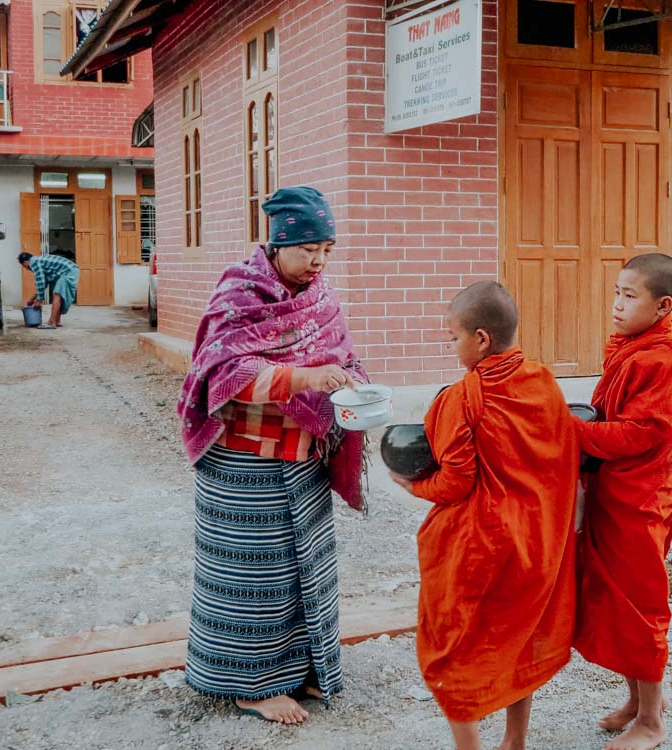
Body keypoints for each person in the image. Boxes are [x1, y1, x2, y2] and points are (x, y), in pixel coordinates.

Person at [178, 186, 368, 725]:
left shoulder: (320, 295)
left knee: (304, 570)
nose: (318, 260)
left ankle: (304, 667)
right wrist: (305, 377)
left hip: (302, 459)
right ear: (280, 242)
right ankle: (251, 685)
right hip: (244, 465)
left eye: (327, 248)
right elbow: (221, 375)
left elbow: (343, 354)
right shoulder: (239, 294)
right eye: (309, 247)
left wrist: (355, 386)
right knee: (253, 579)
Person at [390, 281, 579, 750]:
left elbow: (455, 482)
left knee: (451, 648)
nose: (451, 347)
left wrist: (412, 485)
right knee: (520, 640)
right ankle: (514, 741)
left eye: (453, 337)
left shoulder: (463, 396)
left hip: (482, 546)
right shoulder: (543, 382)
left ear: (481, 339)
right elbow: (559, 459)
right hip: (536, 541)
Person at [574, 253, 672, 750]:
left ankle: (651, 722)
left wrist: (573, 431)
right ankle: (639, 700)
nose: (616, 305)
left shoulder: (660, 357)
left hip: (641, 499)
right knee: (617, 604)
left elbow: (643, 432)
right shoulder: (635, 343)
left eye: (629, 296)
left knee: (641, 608)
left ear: (662, 306)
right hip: (615, 492)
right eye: (616, 292)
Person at [18, 251, 80, 329]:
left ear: (25, 262)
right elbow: (44, 284)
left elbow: (40, 282)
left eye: (24, 266)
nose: (26, 269)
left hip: (68, 272)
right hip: (70, 270)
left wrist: (39, 300)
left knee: (57, 294)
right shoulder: (39, 261)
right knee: (58, 295)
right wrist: (32, 299)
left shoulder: (34, 262)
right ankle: (57, 321)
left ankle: (52, 322)